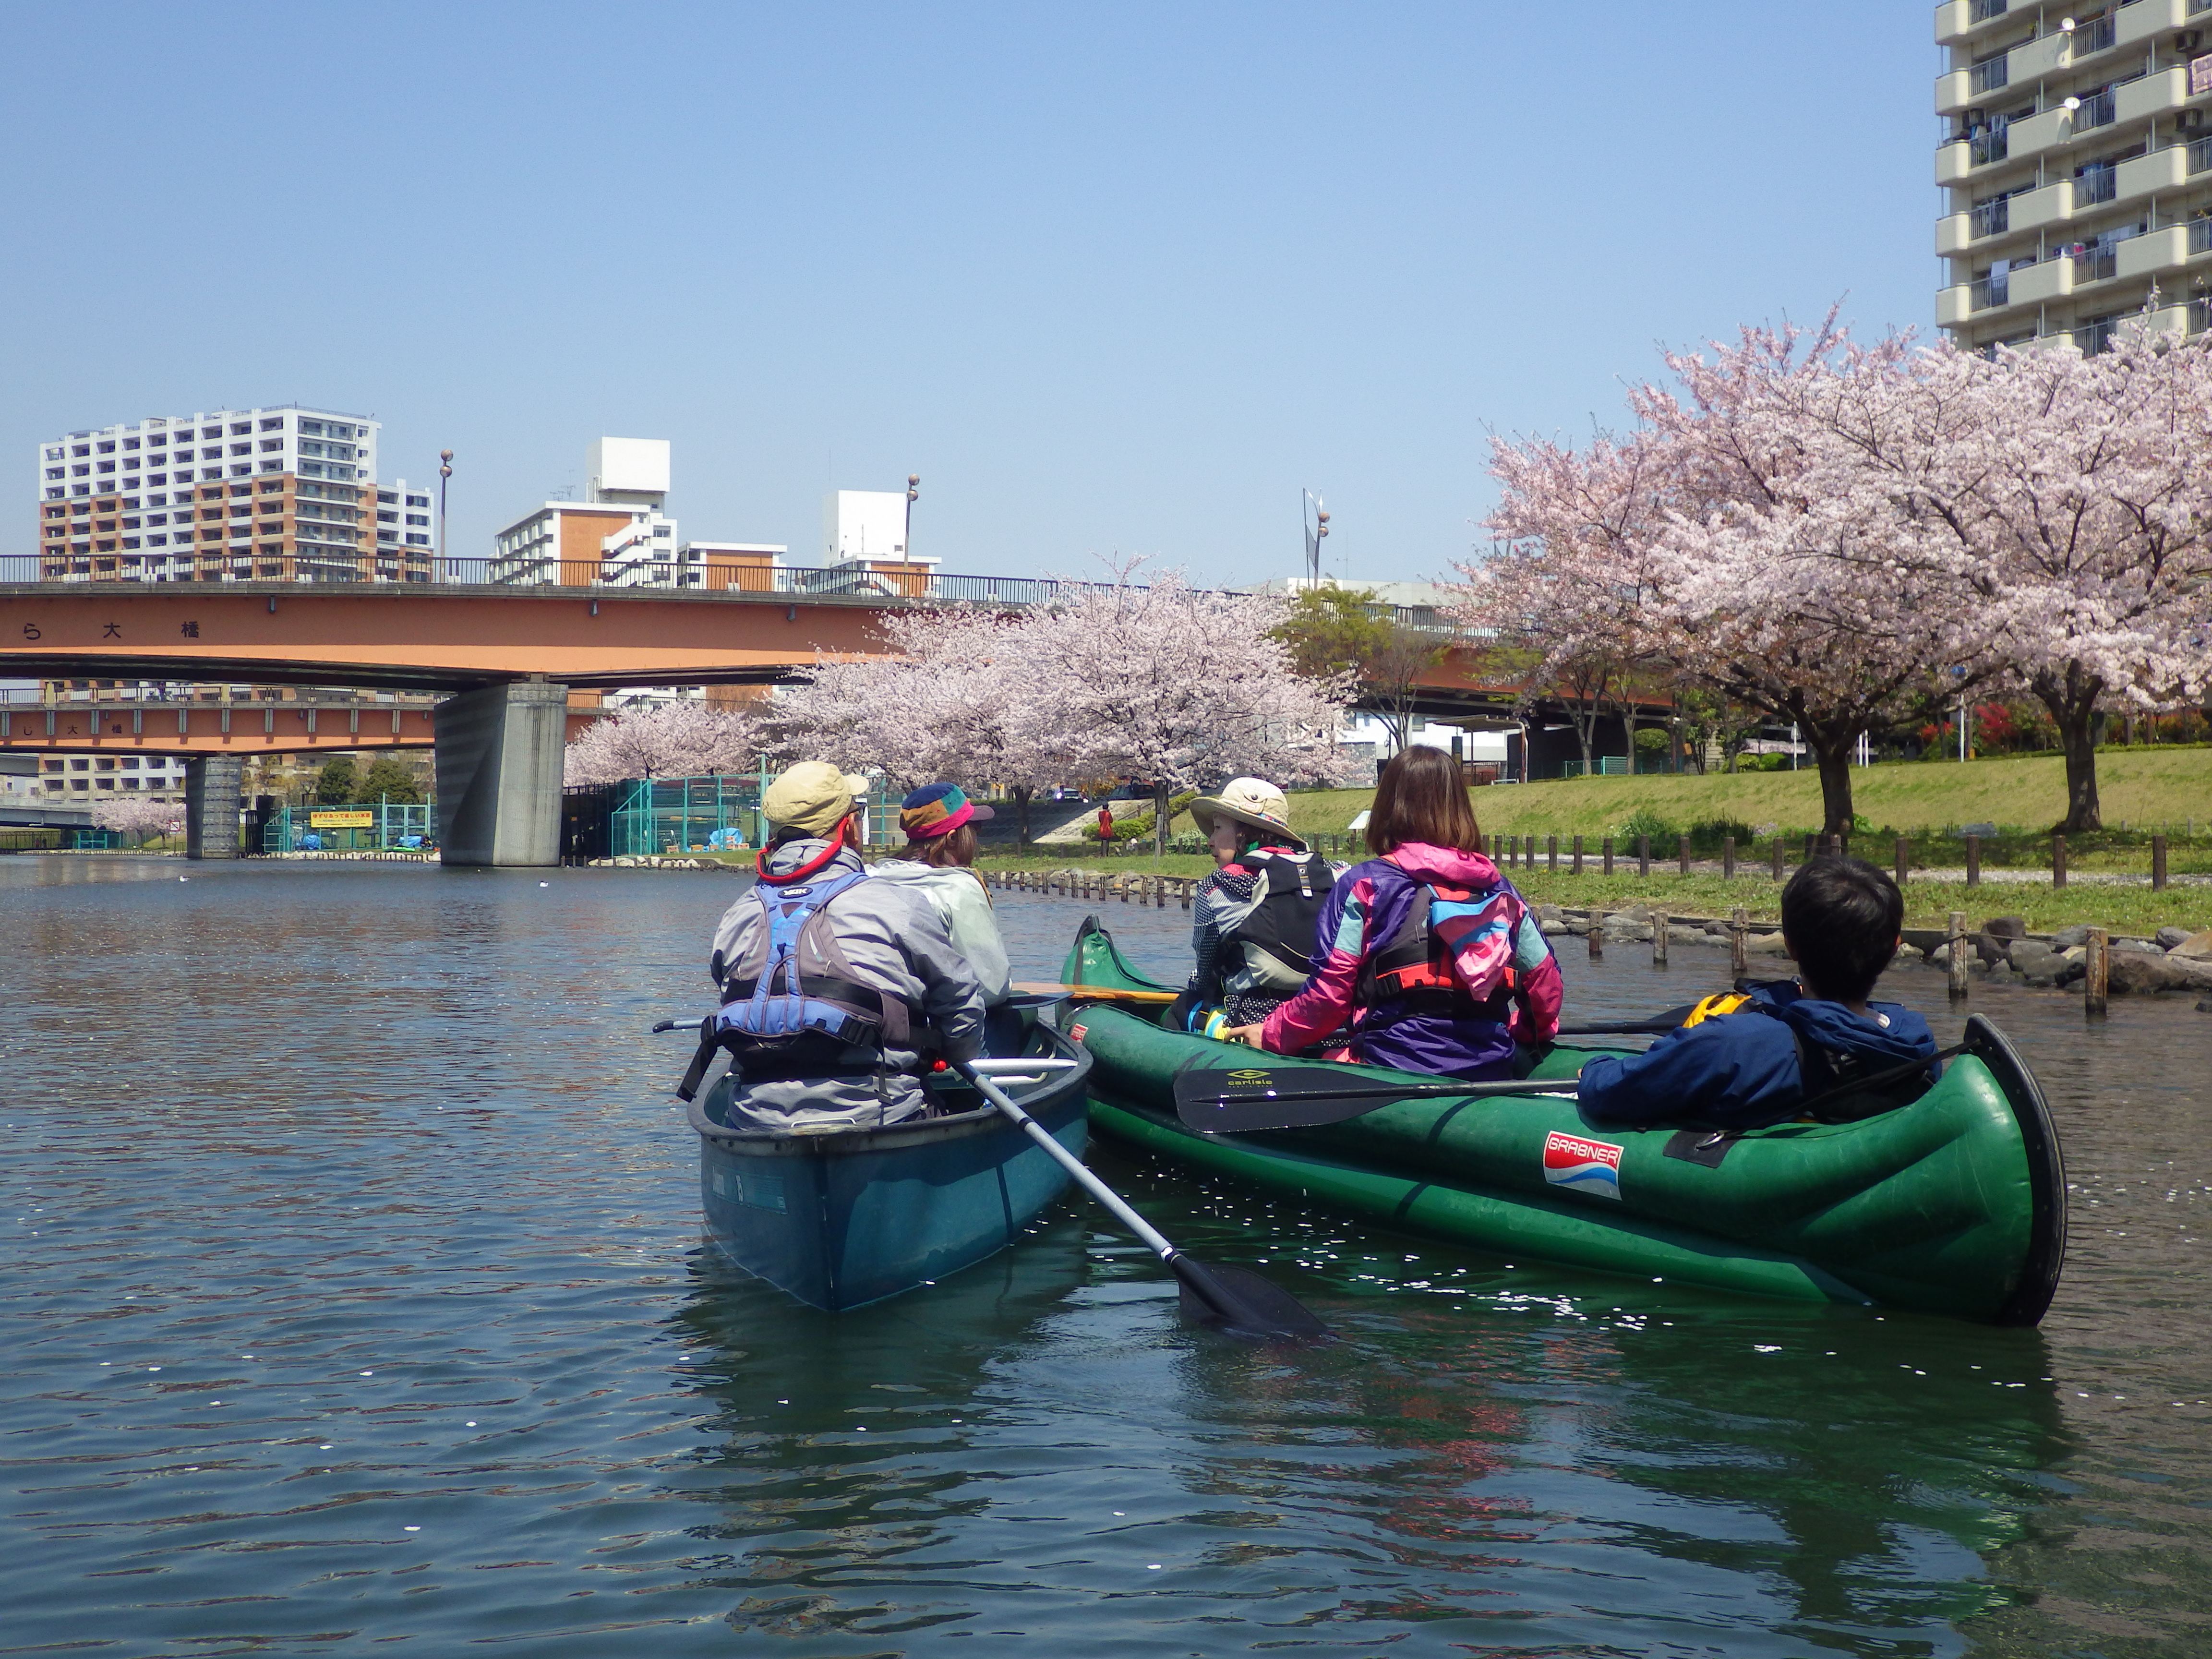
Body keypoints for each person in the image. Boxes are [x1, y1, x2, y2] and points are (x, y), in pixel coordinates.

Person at [1226, 745, 1560, 1080]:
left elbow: (1329, 996)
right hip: (1491, 1068)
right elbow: (1545, 988)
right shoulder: (1503, 892)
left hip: (1392, 1067)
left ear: (1388, 807)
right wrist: (1526, 1034)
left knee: (1333, 1055)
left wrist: (1271, 1034)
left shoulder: (1364, 885)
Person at [701, 761, 984, 1134]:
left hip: (756, 1118)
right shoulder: (899, 904)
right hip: (883, 1112)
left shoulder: (737, 915)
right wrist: (954, 1052)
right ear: (849, 827)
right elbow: (960, 999)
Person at [1578, 857, 1939, 1131]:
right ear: (1894, 948)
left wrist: (1594, 1069)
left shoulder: (1733, 1044)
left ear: (1790, 945)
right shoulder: (1917, 1044)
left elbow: (1611, 1094)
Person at [1172, 777, 1336, 1034]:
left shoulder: (1216, 885)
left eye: (1217, 828)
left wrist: (1195, 991)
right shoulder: (1335, 872)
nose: (1210, 841)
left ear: (1243, 832)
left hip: (1256, 1019)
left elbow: (1205, 967)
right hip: (1327, 1016)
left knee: (1182, 1009)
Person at [869, 782, 1011, 1005]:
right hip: (937, 1028)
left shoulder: (870, 879)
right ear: (953, 838)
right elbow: (992, 987)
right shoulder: (958, 889)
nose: (976, 839)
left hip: (879, 1018)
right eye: (974, 829)